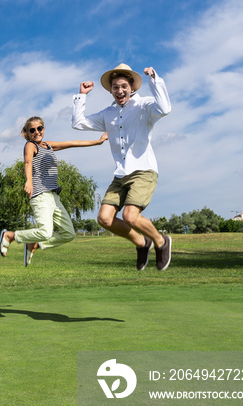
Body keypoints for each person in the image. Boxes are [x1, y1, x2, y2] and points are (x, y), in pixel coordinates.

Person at [72, 63, 172, 271]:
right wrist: (81, 95)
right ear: (111, 90)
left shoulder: (144, 106)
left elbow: (165, 108)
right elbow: (78, 123)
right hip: (120, 174)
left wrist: (155, 79)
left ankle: (161, 242)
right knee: (104, 218)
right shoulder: (107, 113)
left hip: (143, 170)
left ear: (132, 87)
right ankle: (142, 243)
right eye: (115, 87)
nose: (120, 91)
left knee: (129, 216)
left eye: (124, 86)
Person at [0, 117, 107, 266]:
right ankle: (9, 235)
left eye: (40, 128)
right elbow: (28, 161)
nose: (37, 132)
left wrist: (97, 142)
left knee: (68, 233)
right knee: (45, 232)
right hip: (40, 195)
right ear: (28, 133)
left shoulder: (48, 146)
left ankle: (34, 245)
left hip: (54, 197)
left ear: (43, 129)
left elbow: (73, 143)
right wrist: (28, 180)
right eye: (32, 130)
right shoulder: (30, 145)